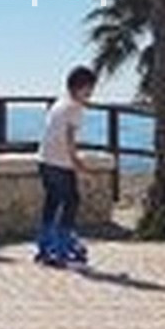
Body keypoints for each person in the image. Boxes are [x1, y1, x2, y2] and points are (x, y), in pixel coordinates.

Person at [35, 65, 96, 266]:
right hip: (61, 163)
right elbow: (69, 139)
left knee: (52, 202)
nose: (90, 94)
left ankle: (45, 247)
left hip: (44, 160)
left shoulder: (59, 104)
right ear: (79, 88)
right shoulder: (75, 108)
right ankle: (62, 248)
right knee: (71, 202)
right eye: (88, 89)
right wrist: (78, 163)